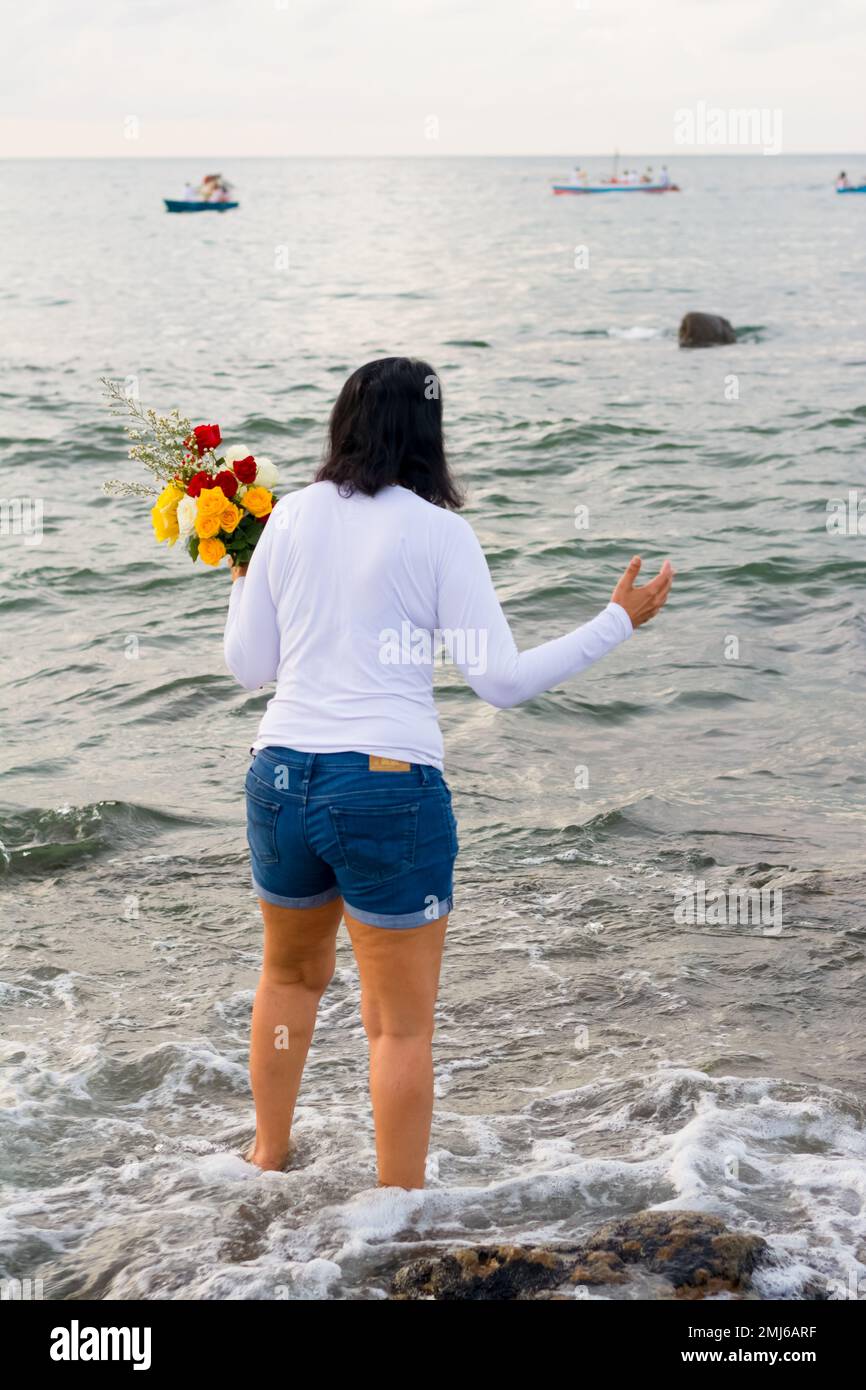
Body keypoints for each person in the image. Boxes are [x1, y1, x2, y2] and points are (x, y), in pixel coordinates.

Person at [223, 357, 674, 1188]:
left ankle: (265, 1160)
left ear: (343, 423)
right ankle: (395, 1217)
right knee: (399, 1027)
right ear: (428, 433)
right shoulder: (439, 533)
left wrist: (244, 572)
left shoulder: (283, 518)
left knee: (287, 978)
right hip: (386, 782)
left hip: (280, 775)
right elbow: (499, 683)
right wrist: (617, 621)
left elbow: (249, 665)